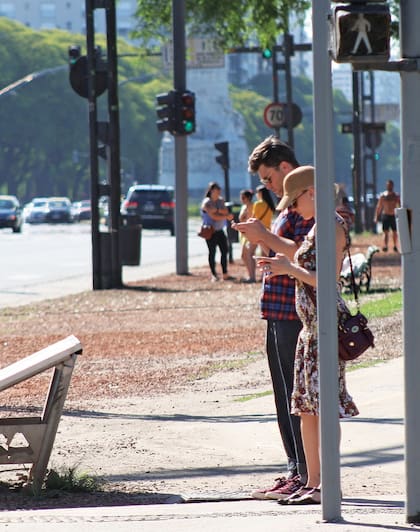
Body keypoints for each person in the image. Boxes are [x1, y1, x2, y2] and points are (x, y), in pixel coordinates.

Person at [256, 166, 359, 505]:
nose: (291, 209)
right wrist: (283, 265)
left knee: (322, 407)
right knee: (307, 409)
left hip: (324, 327)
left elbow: (327, 278)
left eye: (295, 200)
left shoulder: (331, 225)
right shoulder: (319, 226)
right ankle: (314, 482)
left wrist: (287, 268)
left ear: (311, 193)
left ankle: (326, 483)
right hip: (312, 328)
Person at [232, 136, 314, 501]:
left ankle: (304, 472)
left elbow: (307, 252)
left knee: (296, 397)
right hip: (277, 311)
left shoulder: (303, 207)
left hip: (292, 313)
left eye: (268, 178)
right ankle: (295, 468)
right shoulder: (285, 206)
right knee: (284, 396)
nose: (266, 186)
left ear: (285, 168)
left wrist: (264, 235)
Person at [201, 182, 234, 282]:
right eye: (217, 190)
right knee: (212, 252)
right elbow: (213, 216)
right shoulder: (206, 202)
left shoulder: (220, 200)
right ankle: (214, 274)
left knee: (224, 251)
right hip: (210, 231)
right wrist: (224, 215)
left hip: (220, 230)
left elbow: (225, 211)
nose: (219, 192)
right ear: (211, 191)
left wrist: (217, 210)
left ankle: (225, 273)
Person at [374, 179, 400, 252]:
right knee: (385, 232)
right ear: (386, 186)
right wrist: (376, 216)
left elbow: (399, 205)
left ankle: (395, 245)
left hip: (393, 215)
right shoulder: (383, 196)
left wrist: (400, 215)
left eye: (390, 185)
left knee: (395, 232)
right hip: (385, 215)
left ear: (393, 186)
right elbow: (379, 206)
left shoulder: (396, 196)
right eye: (388, 185)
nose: (389, 186)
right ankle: (385, 245)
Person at [238, 189, 256, 283]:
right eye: (241, 197)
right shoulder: (244, 206)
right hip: (243, 233)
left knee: (249, 254)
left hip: (249, 232)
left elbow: (251, 218)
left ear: (248, 197)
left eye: (243, 197)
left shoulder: (252, 206)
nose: (242, 199)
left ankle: (252, 276)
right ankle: (251, 274)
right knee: (244, 255)